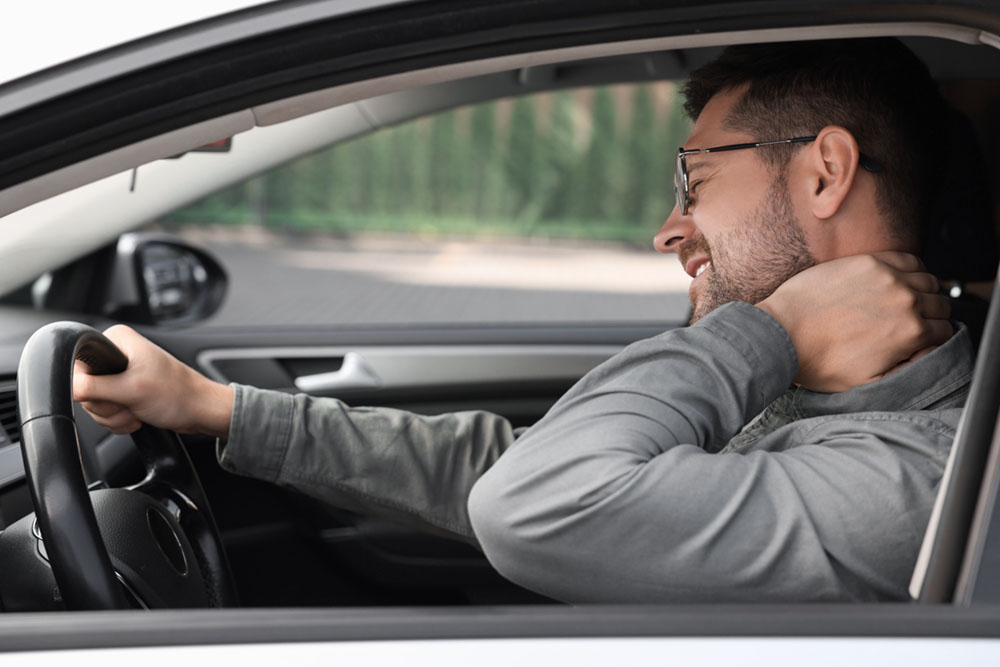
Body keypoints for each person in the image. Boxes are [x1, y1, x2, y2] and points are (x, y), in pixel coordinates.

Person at [73, 38, 970, 603]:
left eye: (694, 183)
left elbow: (536, 500)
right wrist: (213, 407)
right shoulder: (793, 390)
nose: (668, 228)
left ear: (825, 172)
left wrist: (766, 328)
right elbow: (508, 466)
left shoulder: (916, 477)